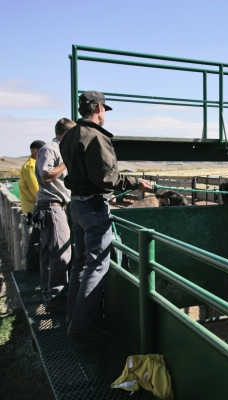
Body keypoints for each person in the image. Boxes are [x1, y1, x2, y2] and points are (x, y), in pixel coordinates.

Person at [60, 91, 153, 342]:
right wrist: (136, 182)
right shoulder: (96, 138)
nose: (104, 116)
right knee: (97, 266)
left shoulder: (69, 135)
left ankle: (73, 316)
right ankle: (82, 327)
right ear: (99, 107)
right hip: (92, 206)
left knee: (80, 263)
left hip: (76, 205)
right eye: (104, 110)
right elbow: (107, 179)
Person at [34, 119, 74, 313]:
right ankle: (57, 300)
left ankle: (49, 294)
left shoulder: (55, 149)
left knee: (49, 253)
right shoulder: (51, 149)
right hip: (51, 207)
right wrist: (67, 161)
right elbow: (46, 176)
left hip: (51, 207)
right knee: (61, 254)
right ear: (66, 133)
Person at [19, 140, 45, 274]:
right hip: (34, 209)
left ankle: (33, 268)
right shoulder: (31, 166)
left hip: (34, 208)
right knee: (37, 240)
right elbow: (36, 190)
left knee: (37, 238)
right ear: (35, 151)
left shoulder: (33, 164)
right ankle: (33, 269)